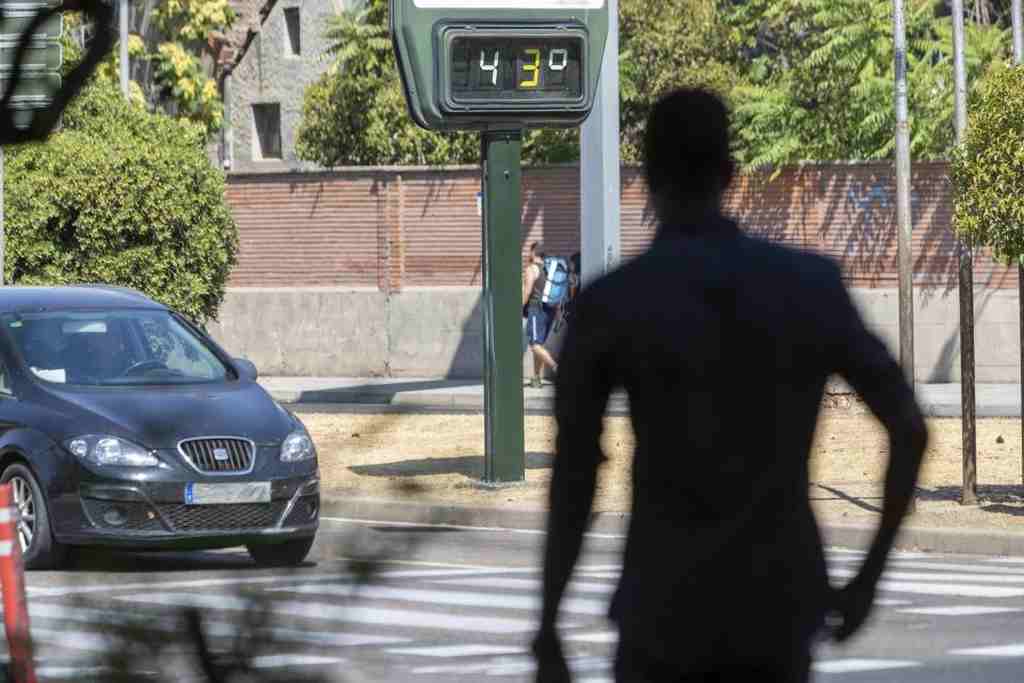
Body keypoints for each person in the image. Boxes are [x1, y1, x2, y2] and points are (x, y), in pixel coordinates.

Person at [532, 88, 927, 682]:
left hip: (662, 613)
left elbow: (575, 476)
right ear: (730, 174)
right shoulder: (808, 287)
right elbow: (909, 427)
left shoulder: (616, 304)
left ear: (649, 177)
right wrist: (867, 579)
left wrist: (549, 624)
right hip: (776, 610)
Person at [523, 241, 559, 388]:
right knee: (539, 344)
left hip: (536, 309)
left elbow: (527, 291)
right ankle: (536, 378)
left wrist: (519, 306)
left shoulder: (532, 269)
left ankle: (558, 369)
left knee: (535, 345)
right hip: (550, 310)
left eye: (529, 251)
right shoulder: (550, 269)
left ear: (533, 253)